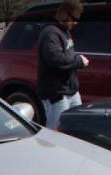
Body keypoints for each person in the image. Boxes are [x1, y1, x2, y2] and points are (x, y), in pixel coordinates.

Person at [38, 0, 89, 129]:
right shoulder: (50, 33)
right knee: (56, 134)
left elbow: (67, 55)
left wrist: (76, 58)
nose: (76, 22)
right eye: (74, 18)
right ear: (63, 13)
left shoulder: (64, 31)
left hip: (71, 92)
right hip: (58, 95)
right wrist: (79, 61)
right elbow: (56, 59)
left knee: (76, 129)